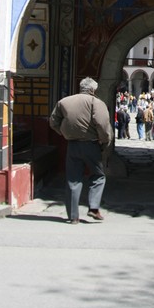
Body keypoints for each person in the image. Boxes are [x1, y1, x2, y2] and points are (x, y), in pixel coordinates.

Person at [49, 76, 113, 223]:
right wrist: (104, 141)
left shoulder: (64, 101)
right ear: (92, 89)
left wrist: (63, 132)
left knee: (73, 179)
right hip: (91, 144)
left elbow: (53, 121)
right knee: (98, 176)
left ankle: (73, 216)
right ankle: (94, 207)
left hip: (72, 145)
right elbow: (102, 124)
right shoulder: (95, 102)